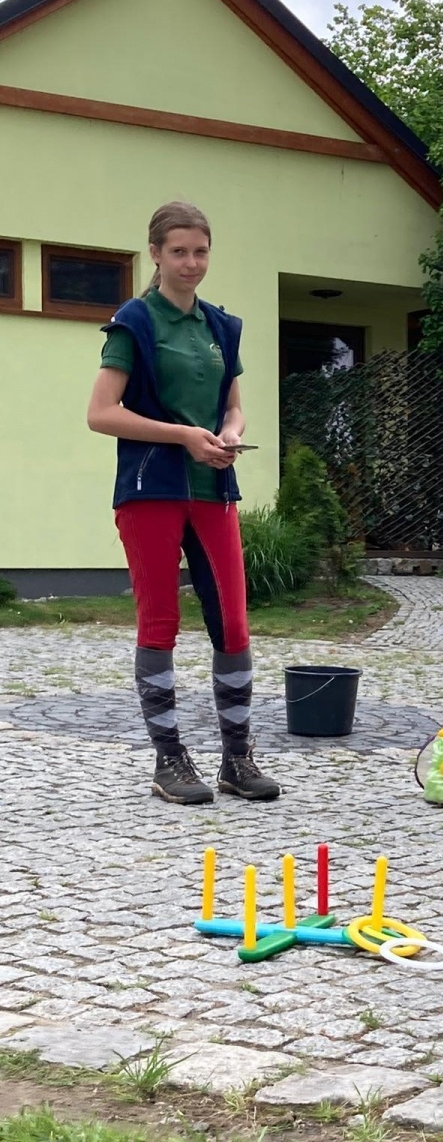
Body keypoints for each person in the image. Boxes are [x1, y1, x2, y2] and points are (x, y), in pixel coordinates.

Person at [87, 201, 280, 807]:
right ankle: (169, 761)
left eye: (200, 251)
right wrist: (182, 437)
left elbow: (232, 404)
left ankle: (236, 760)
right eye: (179, 251)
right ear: (156, 255)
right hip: (151, 490)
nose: (191, 263)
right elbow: (101, 414)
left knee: (233, 623)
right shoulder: (135, 322)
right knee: (160, 622)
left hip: (212, 490)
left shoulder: (221, 327)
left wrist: (227, 431)